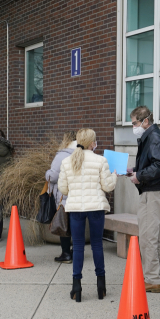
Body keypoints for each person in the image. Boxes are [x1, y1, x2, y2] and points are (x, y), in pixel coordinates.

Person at [58, 128, 117, 302]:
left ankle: (76, 287)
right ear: (93, 143)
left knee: (77, 247)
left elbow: (63, 188)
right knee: (97, 245)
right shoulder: (101, 160)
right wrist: (114, 176)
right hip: (96, 207)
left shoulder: (67, 161)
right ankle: (101, 286)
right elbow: (108, 187)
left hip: (76, 208)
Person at [127, 106, 160, 293]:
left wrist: (140, 176)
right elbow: (158, 163)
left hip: (152, 194)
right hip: (159, 191)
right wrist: (135, 171)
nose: (133, 127)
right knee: (156, 239)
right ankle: (159, 277)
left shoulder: (152, 137)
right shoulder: (156, 135)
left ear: (146, 121)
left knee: (147, 239)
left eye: (135, 123)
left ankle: (152, 279)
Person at [46, 131, 77, 263]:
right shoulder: (83, 154)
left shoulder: (62, 155)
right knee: (76, 225)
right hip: (78, 195)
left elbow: (52, 176)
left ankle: (66, 254)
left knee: (63, 223)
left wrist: (46, 173)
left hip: (64, 196)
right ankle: (76, 252)